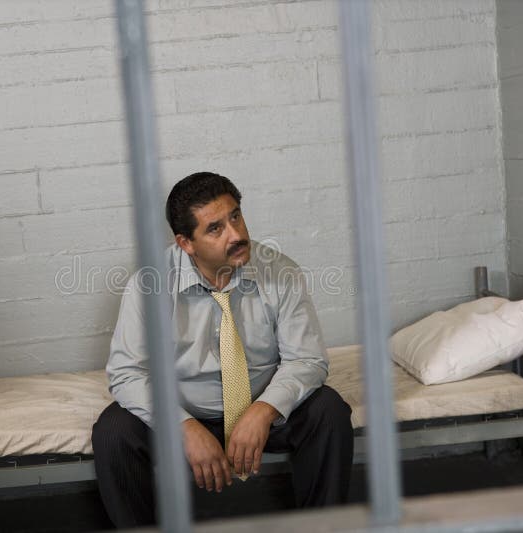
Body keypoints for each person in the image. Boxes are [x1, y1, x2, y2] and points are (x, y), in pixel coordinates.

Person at [92, 172, 353, 528]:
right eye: (215, 228)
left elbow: (307, 359)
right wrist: (183, 427)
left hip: (260, 412)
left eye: (235, 216)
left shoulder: (281, 272)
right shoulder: (149, 284)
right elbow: (126, 373)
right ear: (186, 243)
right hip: (183, 410)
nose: (236, 235)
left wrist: (263, 410)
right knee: (113, 431)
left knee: (329, 410)